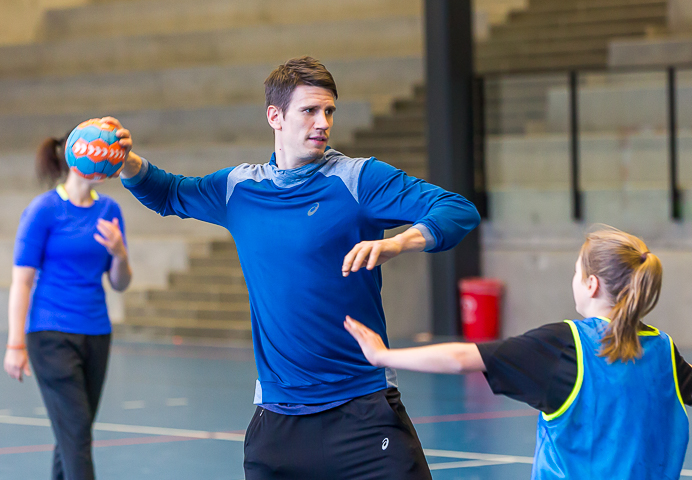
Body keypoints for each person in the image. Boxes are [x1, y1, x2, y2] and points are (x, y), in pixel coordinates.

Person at [107, 55, 480, 479]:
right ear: (275, 116)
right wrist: (128, 163)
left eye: (329, 111)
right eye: (309, 111)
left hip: (362, 409)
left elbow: (457, 209)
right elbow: (170, 193)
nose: (323, 122)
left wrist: (398, 242)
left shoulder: (359, 179)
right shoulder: (238, 189)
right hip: (277, 423)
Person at [345, 226, 692, 480]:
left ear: (591, 284)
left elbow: (461, 358)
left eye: (577, 272)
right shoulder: (664, 351)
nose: (575, 279)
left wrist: (383, 356)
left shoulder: (565, 346)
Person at [3, 132, 132, 480]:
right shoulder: (43, 210)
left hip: (96, 333)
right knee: (76, 434)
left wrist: (119, 253)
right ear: (75, 157)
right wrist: (15, 344)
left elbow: (120, 282)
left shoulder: (109, 209)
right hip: (49, 336)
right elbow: (22, 282)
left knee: (72, 434)